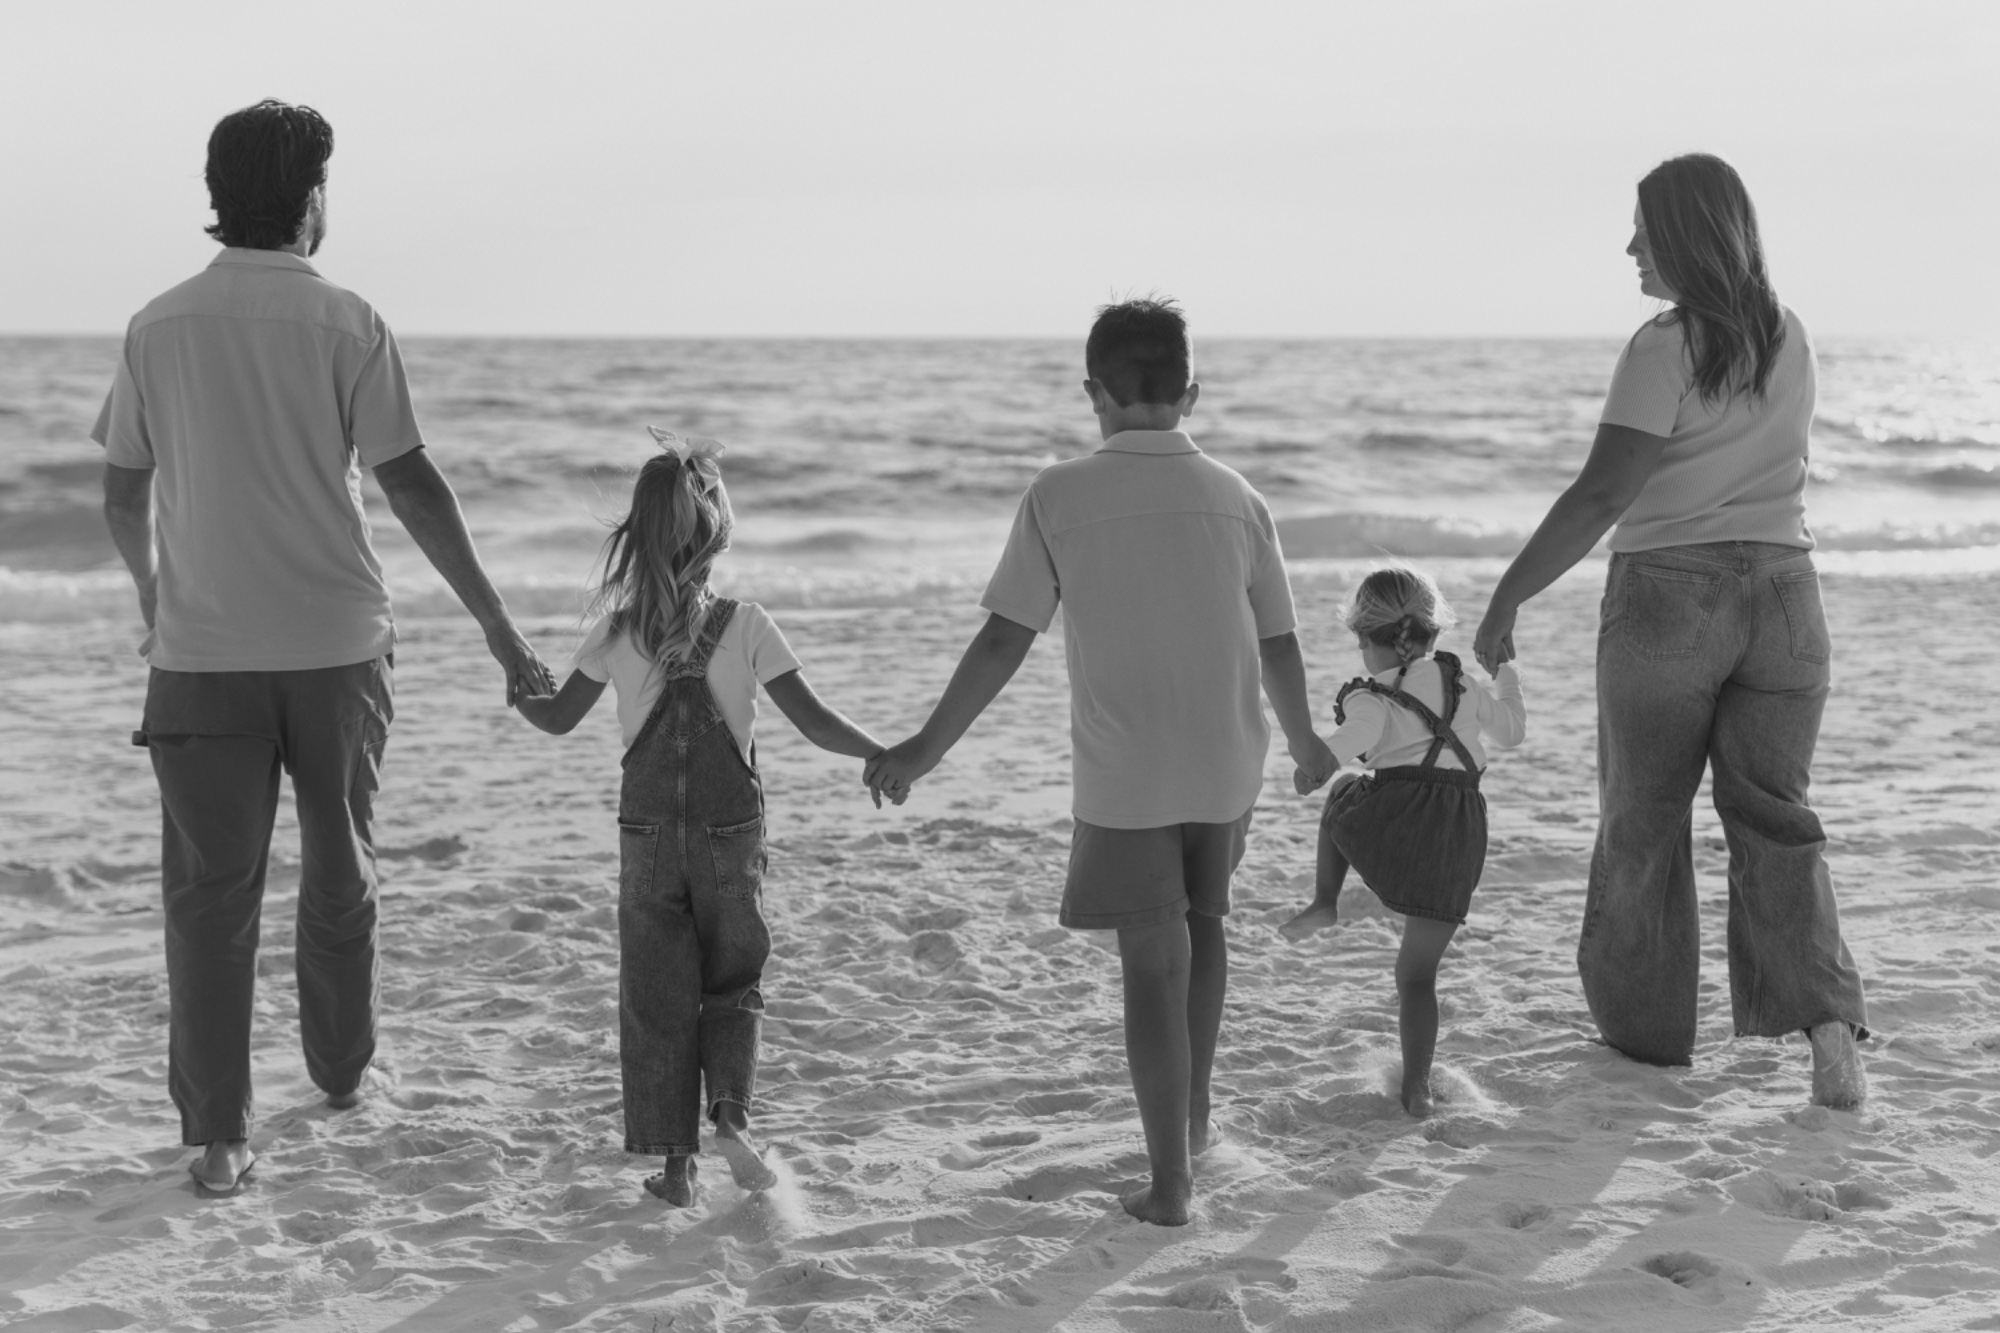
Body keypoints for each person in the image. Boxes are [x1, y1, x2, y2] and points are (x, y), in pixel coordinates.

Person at [95, 99, 554, 1195]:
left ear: (219, 194)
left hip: (199, 655)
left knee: (210, 897)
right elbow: (412, 485)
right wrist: (498, 627)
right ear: (310, 196)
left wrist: (158, 599)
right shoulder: (349, 321)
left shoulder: (155, 324)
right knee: (341, 872)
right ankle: (343, 1076)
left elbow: (121, 491)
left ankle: (217, 1137)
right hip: (338, 647)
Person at [865, 299, 1335, 1226]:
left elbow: (1006, 637)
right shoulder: (1241, 497)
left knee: (1151, 965)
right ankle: (1194, 1127)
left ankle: (1170, 1187)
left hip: (1128, 775)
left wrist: (924, 746)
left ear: (1095, 395)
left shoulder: (1058, 494)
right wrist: (1308, 738)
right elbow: (1277, 640)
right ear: (1190, 391)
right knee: (1205, 932)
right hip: (1226, 763)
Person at [1471, 153, 1869, 1107]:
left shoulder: (1661, 348)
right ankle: (1827, 1029)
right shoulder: (1793, 335)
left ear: (1686, 235)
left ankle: (1648, 1041)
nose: (1630, 247)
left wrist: (1506, 596)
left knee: (1643, 818)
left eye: (1643, 230)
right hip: (1785, 596)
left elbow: (1604, 492)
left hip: (1668, 598)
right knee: (1777, 821)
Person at [514, 430, 886, 1206]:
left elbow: (556, 719)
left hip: (647, 837)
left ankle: (676, 1171)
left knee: (655, 994)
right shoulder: (747, 623)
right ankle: (732, 1120)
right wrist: (883, 752)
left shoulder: (617, 630)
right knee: (734, 977)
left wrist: (519, 682)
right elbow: (814, 722)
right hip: (729, 834)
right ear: (716, 534)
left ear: (637, 538)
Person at [1279, 567, 1526, 1116]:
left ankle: (1325, 901)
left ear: (1366, 638)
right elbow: (1512, 732)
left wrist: (1311, 769)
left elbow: (1340, 751)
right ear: (1433, 632)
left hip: (1394, 821)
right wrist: (1506, 673)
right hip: (1457, 831)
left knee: (1344, 790)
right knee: (1417, 975)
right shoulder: (1464, 684)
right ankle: (1416, 1089)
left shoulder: (1373, 697)